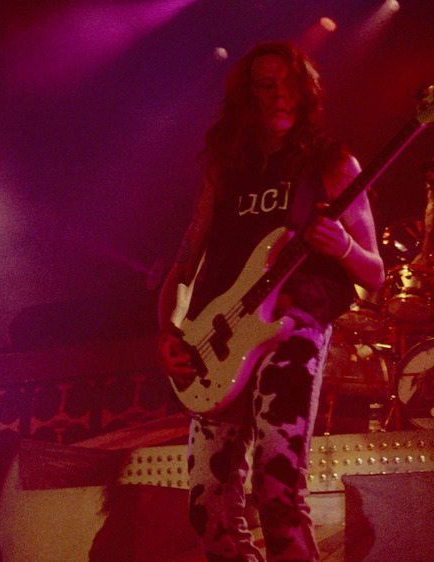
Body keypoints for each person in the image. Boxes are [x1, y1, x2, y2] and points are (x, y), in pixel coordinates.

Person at [156, 42, 385, 561]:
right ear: (246, 97)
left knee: (276, 495)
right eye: (266, 85)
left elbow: (376, 272)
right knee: (207, 513)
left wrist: (343, 247)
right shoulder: (225, 168)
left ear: (305, 92)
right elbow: (183, 264)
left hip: (291, 325)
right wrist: (168, 334)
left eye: (289, 84)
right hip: (216, 336)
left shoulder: (330, 163)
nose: (280, 96)